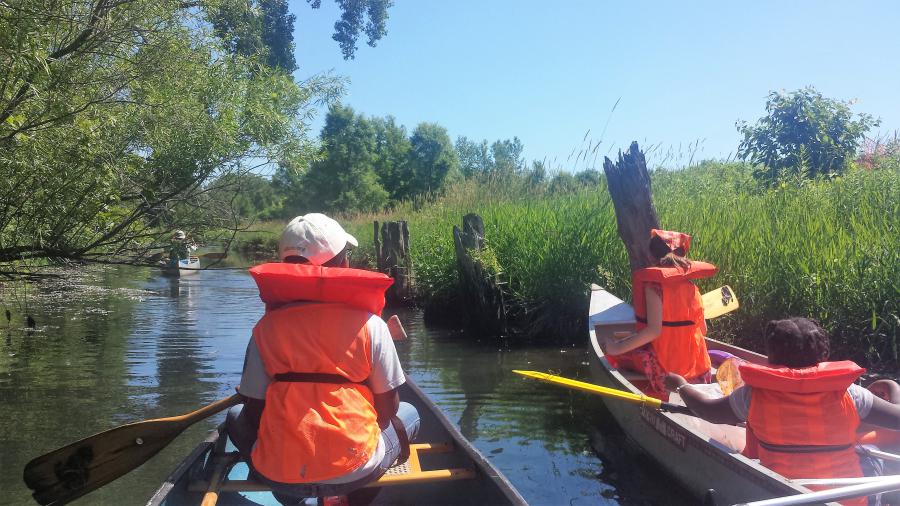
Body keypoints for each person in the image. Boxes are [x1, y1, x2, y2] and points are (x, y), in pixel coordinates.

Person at [226, 213, 419, 504]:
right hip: (356, 469)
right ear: (342, 264)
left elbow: (253, 412)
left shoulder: (265, 330)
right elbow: (388, 409)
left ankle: (292, 496)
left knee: (234, 417)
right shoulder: (372, 326)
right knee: (410, 413)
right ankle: (349, 499)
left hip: (282, 475)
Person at [665, 317, 900, 506]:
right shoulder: (853, 395)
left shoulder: (753, 395)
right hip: (850, 501)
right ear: (824, 356)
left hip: (782, 494)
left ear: (771, 359)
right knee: (870, 450)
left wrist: (681, 386)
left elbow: (709, 411)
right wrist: (892, 387)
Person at [604, 229, 717, 398]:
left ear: (651, 257)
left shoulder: (654, 287)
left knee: (627, 355)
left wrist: (616, 348)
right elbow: (703, 331)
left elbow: (653, 331)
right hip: (700, 373)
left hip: (668, 375)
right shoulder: (693, 288)